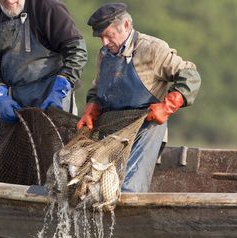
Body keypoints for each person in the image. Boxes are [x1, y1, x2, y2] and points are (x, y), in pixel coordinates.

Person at [77, 3, 201, 192]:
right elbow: (98, 88)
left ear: (126, 26)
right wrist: (92, 107)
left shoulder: (152, 49)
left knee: (128, 188)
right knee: (96, 188)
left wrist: (167, 106)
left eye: (109, 35)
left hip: (146, 128)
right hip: (111, 127)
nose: (104, 42)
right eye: (101, 37)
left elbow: (190, 75)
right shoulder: (104, 54)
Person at [0, 0, 88, 122]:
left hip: (53, 96)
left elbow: (77, 52)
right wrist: (0, 96)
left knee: (55, 140)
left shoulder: (48, 7)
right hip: (16, 102)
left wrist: (59, 90)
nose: (9, 1)